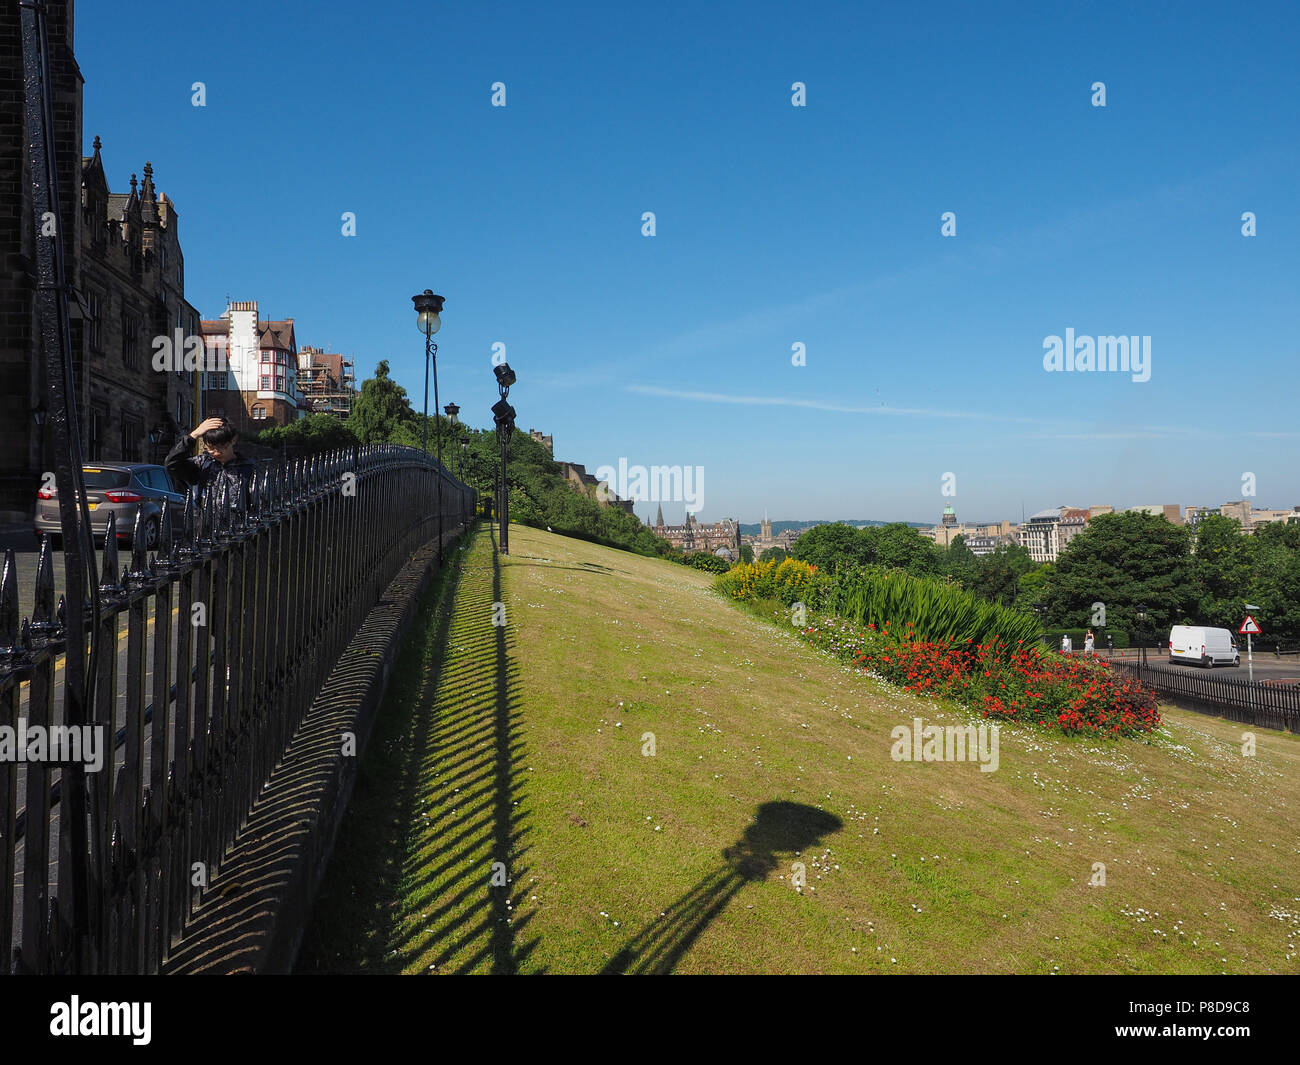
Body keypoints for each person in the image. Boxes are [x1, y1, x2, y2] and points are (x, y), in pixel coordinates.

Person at [165, 416, 258, 505]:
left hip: (238, 520)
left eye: (221, 447)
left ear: (233, 440)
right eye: (211, 448)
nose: (216, 452)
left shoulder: (248, 468)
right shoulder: (202, 464)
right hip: (205, 520)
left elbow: (260, 502)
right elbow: (171, 464)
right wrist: (193, 436)